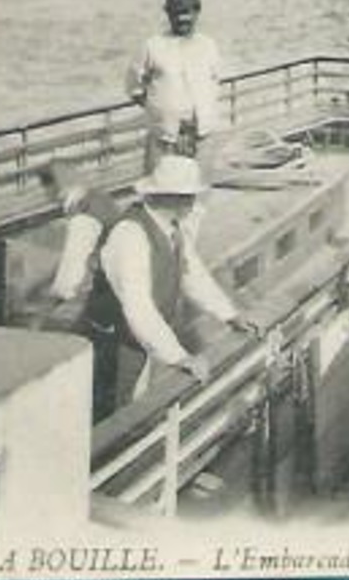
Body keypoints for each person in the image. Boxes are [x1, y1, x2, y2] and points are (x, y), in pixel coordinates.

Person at [88, 156, 262, 415]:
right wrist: (179, 356)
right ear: (173, 198)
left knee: (134, 402)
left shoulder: (172, 230)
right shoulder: (130, 235)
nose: (193, 204)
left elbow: (193, 276)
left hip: (139, 340)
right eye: (189, 197)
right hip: (115, 346)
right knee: (115, 415)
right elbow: (138, 307)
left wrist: (230, 315)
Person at [30, 160, 124, 421]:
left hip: (110, 302)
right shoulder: (100, 198)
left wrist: (40, 311)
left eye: (47, 192)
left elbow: (68, 280)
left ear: (55, 190)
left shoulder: (83, 216)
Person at [125, 0, 224, 175]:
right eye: (177, 15)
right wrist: (160, 109)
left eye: (188, 15)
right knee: (160, 185)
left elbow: (216, 80)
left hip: (202, 132)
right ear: (168, 15)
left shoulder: (208, 45)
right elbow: (134, 87)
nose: (182, 21)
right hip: (165, 134)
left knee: (198, 184)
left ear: (197, 15)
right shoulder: (152, 46)